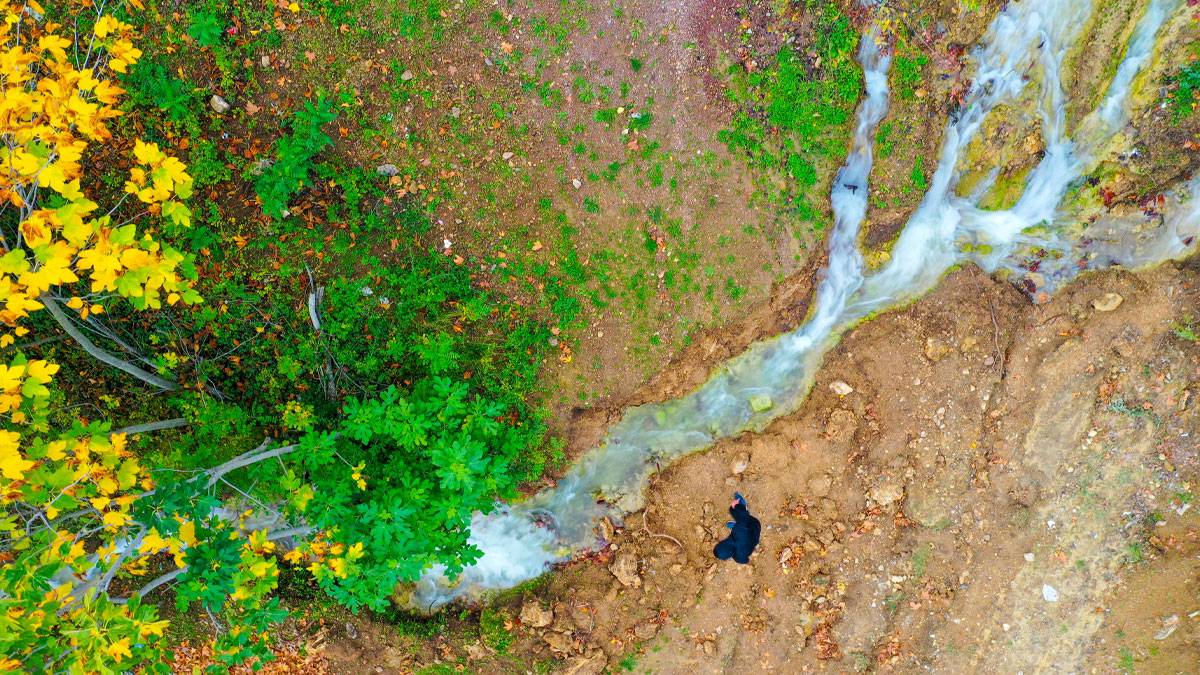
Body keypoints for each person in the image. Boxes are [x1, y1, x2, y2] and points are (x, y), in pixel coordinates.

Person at [713, 492, 760, 564]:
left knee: (744, 531)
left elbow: (745, 561)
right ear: (722, 543)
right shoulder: (738, 532)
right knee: (738, 514)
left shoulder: (738, 558)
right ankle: (742, 504)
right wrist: (736, 506)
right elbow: (745, 517)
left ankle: (737, 524)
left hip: (755, 540)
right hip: (754, 525)